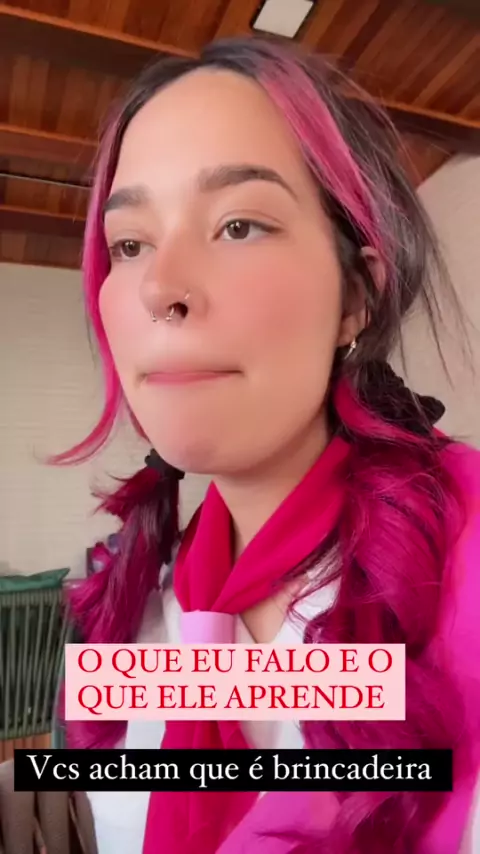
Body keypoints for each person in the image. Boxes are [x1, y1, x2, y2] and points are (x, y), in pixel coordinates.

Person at [54, 36, 480, 854]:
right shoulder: (134, 598)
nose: (159, 288)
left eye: (239, 225)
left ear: (356, 296)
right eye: (130, 244)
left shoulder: (458, 567)